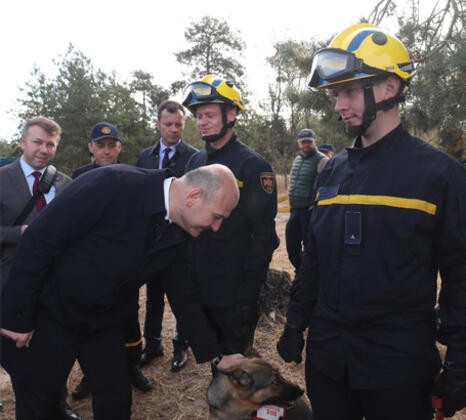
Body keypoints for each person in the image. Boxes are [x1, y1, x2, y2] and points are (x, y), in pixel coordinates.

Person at [276, 23, 466, 420]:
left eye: (347, 91)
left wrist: (461, 365)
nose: (338, 105)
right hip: (328, 362)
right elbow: (314, 258)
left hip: (398, 368)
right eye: (334, 94)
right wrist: (296, 321)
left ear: (388, 88)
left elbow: (460, 275)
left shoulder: (439, 175)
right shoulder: (331, 171)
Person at [0, 162, 244, 420]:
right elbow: (39, 239)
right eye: (217, 217)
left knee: (115, 400)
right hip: (49, 315)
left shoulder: (179, 229)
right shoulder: (112, 184)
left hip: (103, 320)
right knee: (41, 404)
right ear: (194, 197)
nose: (216, 227)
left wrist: (216, 355)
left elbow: (184, 294)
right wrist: (18, 316)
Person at [183, 74, 279, 356]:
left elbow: (263, 238)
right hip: (200, 284)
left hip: (234, 290)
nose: (202, 121)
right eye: (199, 116)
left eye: (209, 114)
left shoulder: (253, 165)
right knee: (214, 361)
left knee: (236, 364)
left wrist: (247, 299)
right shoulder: (194, 161)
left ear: (232, 114)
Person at [0, 117, 80, 420]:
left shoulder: (65, 183)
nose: (44, 149)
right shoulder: (2, 178)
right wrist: (17, 233)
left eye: (50, 144)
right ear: (22, 142)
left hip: (55, 286)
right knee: (23, 362)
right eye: (37, 142)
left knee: (55, 351)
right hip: (11, 284)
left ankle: (59, 404)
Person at [70, 122, 153, 400]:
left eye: (111, 145)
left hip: (123, 266)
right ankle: (90, 375)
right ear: (91, 148)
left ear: (119, 147)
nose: (106, 151)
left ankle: (132, 369)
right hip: (90, 266)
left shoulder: (133, 176)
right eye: (100, 145)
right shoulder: (78, 177)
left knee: (129, 319)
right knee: (89, 323)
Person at [136, 100, 197, 372]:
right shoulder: (145, 157)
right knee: (153, 296)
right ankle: (153, 344)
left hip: (183, 239)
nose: (173, 130)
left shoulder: (195, 157)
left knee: (182, 295)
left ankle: (182, 345)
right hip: (153, 240)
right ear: (158, 124)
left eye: (178, 124)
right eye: (168, 124)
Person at [286, 128, 328, 272]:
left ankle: (306, 278)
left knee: (310, 248)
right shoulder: (297, 159)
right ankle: (301, 271)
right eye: (303, 142)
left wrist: (316, 206)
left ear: (314, 141)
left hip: (309, 213)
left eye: (309, 142)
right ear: (298, 143)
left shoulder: (322, 160)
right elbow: (293, 181)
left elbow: (327, 186)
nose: (306, 145)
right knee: (291, 247)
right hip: (294, 211)